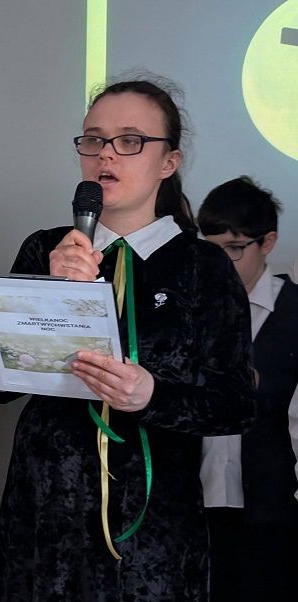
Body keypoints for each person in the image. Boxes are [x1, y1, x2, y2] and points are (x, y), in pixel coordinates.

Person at [0, 80, 257, 600]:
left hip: (154, 529)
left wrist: (152, 395)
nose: (106, 154)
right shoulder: (47, 249)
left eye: (130, 140)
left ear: (168, 161)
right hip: (45, 512)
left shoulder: (202, 265)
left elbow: (235, 404)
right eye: (93, 139)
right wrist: (51, 294)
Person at [198, 176, 298, 602]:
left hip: (272, 508)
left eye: (234, 248)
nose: (221, 262)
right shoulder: (192, 308)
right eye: (211, 248)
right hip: (196, 505)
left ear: (268, 242)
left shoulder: (293, 311)